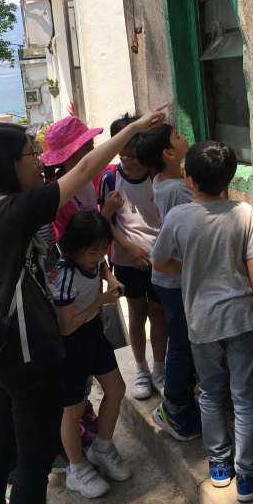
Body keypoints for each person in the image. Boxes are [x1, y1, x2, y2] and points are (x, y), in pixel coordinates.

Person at [0, 106, 165, 504]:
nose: (39, 161)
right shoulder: (13, 209)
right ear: (8, 164)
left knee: (0, 440)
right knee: (33, 464)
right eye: (31, 154)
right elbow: (85, 168)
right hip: (28, 355)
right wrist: (133, 128)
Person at [151, 141, 253, 503]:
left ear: (188, 178)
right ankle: (248, 474)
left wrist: (190, 268)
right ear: (229, 178)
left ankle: (219, 467)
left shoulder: (178, 217)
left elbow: (159, 261)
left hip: (201, 323)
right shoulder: (242, 212)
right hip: (240, 319)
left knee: (210, 392)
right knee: (245, 397)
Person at [42, 116, 124, 449]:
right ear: (68, 158)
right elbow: (74, 245)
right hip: (75, 285)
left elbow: (92, 246)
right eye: (86, 148)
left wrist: (107, 273)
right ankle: (76, 422)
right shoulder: (59, 197)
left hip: (93, 275)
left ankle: (85, 414)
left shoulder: (88, 183)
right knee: (74, 364)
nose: (93, 152)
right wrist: (105, 214)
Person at [53, 210, 129, 498]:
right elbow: (67, 327)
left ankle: (102, 448)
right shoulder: (66, 274)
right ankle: (76, 469)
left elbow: (102, 267)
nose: (99, 256)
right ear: (74, 248)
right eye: (93, 251)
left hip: (94, 335)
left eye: (103, 249)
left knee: (117, 389)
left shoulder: (93, 260)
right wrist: (102, 300)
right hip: (72, 345)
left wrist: (111, 278)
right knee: (72, 410)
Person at [135, 124, 201, 441]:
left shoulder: (164, 179)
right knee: (182, 342)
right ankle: (172, 406)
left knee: (184, 340)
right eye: (177, 136)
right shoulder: (177, 190)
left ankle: (182, 399)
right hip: (174, 276)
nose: (184, 137)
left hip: (172, 276)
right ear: (168, 153)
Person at [98, 115, 168, 400]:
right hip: (126, 261)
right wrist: (128, 247)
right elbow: (106, 221)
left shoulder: (157, 174)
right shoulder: (110, 179)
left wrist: (158, 252)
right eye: (123, 152)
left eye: (134, 152)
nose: (129, 158)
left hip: (160, 260)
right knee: (137, 314)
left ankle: (160, 369)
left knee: (159, 315)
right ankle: (141, 369)